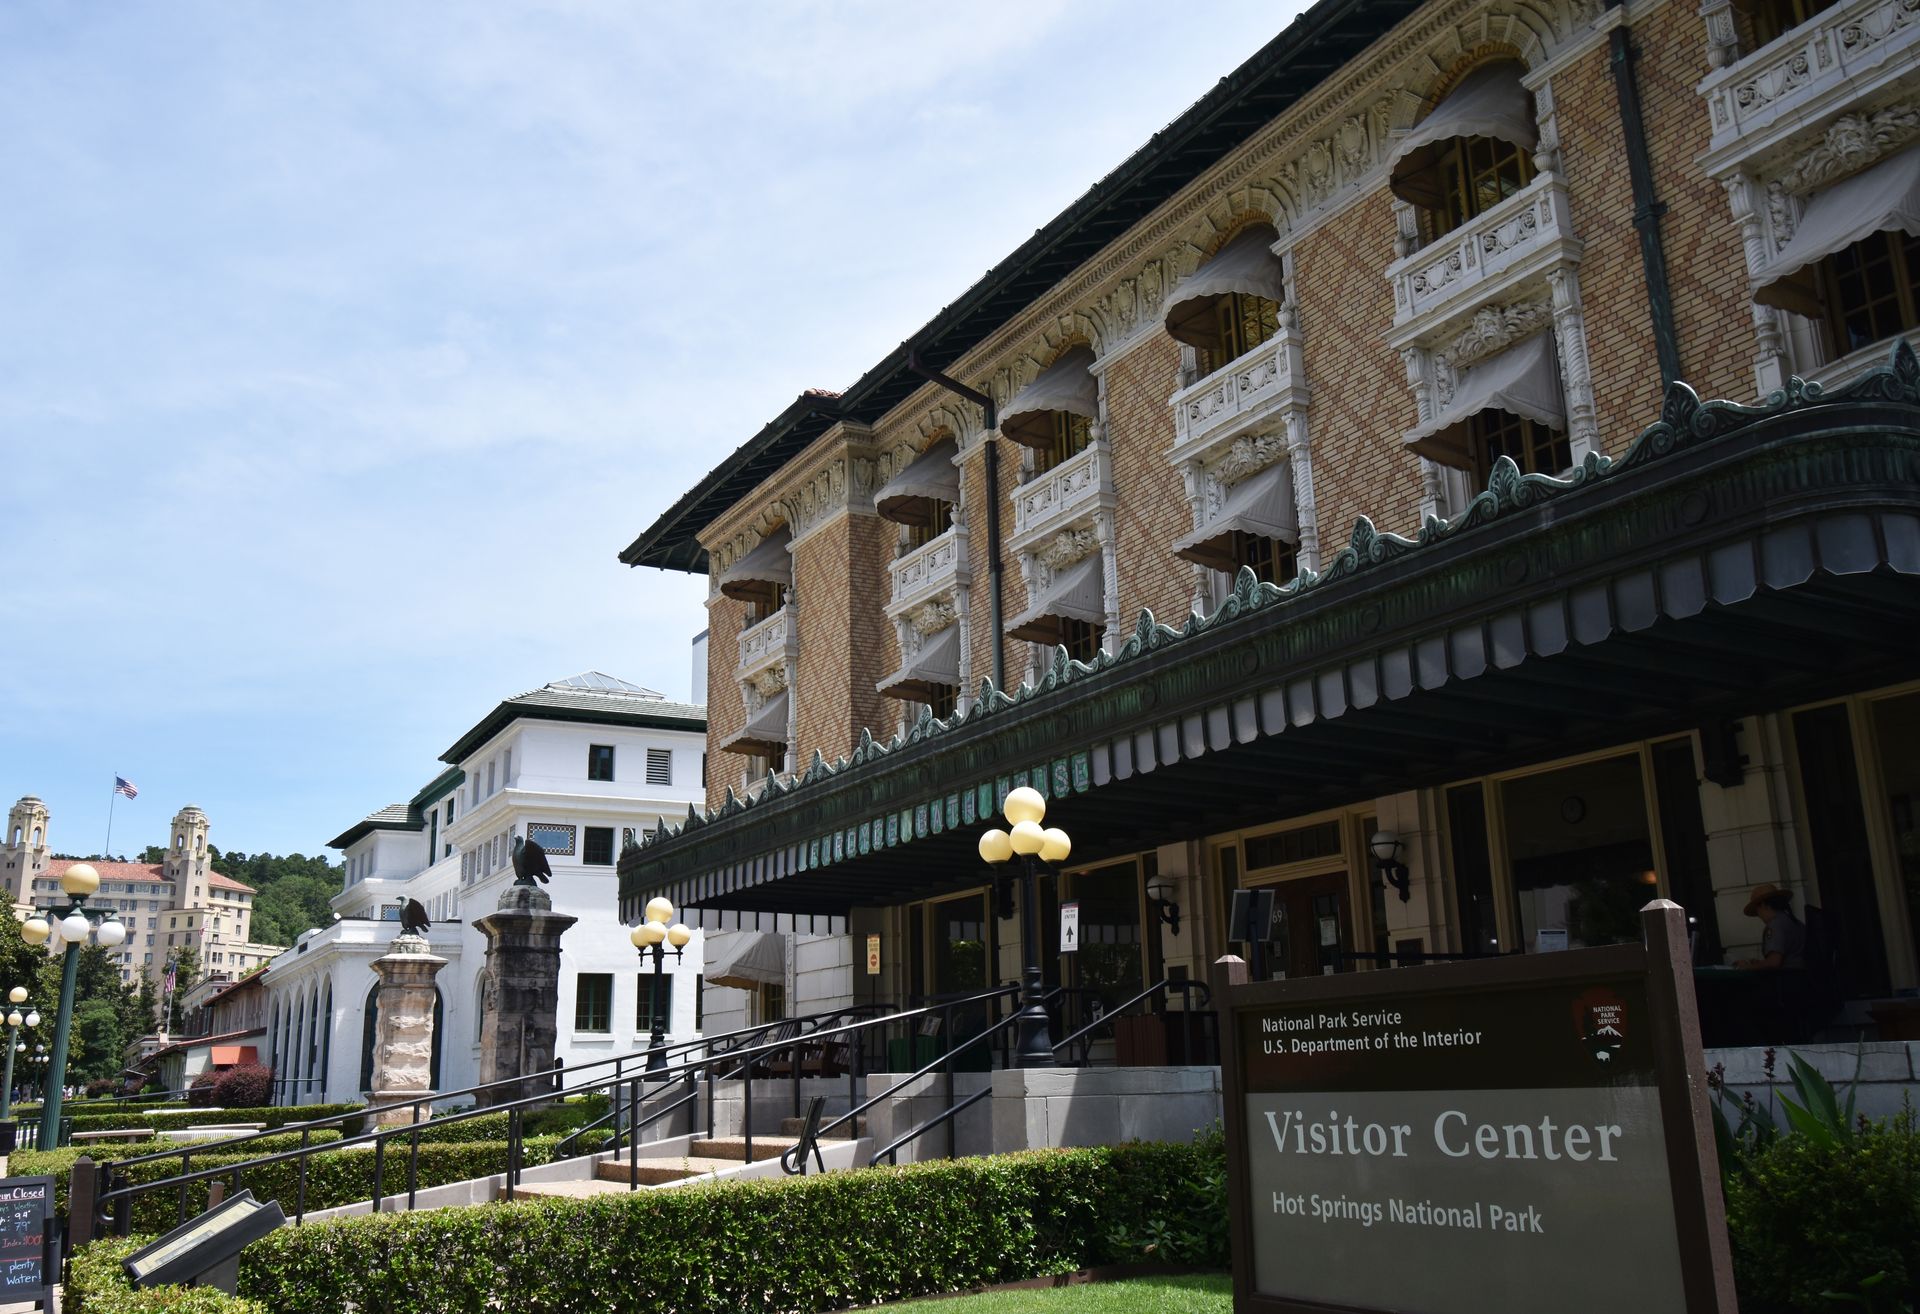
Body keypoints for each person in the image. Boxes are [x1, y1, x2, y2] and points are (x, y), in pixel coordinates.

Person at [1737, 883, 1806, 970]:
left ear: (1763, 905)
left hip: (1788, 979)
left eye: (1757, 911)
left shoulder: (1775, 925)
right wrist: (1760, 963)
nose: (1759, 916)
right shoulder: (1795, 922)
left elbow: (1774, 962)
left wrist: (1747, 967)